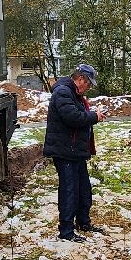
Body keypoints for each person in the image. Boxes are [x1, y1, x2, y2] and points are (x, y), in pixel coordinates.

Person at [42, 63, 107, 242]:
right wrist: (94, 117)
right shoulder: (63, 92)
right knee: (69, 191)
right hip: (65, 152)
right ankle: (66, 231)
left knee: (83, 189)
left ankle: (83, 222)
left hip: (75, 151)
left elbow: (77, 114)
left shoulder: (75, 94)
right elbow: (72, 117)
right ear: (80, 79)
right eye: (88, 84)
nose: (89, 88)